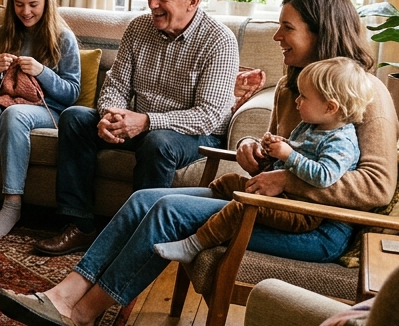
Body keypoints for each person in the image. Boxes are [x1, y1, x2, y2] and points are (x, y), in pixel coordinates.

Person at [0, 0, 398, 326]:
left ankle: (83, 316)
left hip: (317, 228)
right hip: (271, 207)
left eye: (287, 28)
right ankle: (61, 295)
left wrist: (287, 182)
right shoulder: (294, 87)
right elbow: (284, 153)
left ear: (320, 32)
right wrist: (252, 151)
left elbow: (377, 186)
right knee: (143, 200)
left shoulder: (368, 94)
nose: (277, 36)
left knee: (167, 210)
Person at [32, 0, 239, 257]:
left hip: (192, 134)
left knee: (158, 142)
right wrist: (109, 116)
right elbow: (115, 85)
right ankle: (79, 226)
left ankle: (136, 239)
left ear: (192, 1)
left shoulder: (220, 41)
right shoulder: (138, 28)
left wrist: (145, 121)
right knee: (75, 118)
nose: (152, 3)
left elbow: (207, 117)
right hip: (139, 123)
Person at [154, 56, 376, 264]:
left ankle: (193, 245)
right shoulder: (311, 126)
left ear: (330, 107)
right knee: (229, 181)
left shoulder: (341, 142)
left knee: (242, 206)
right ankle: (200, 204)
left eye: (304, 97)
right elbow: (296, 151)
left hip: (303, 212)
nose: (297, 101)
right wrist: (274, 147)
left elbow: (325, 176)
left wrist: (288, 154)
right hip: (286, 198)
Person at [0, 0, 81, 238]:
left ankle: (11, 206)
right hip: (3, 98)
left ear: (46, 3)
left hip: (47, 109)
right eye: (18, 4)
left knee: (15, 114)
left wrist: (42, 72)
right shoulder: (0, 34)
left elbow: (71, 93)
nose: (25, 11)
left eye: (33, 5)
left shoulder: (63, 38)